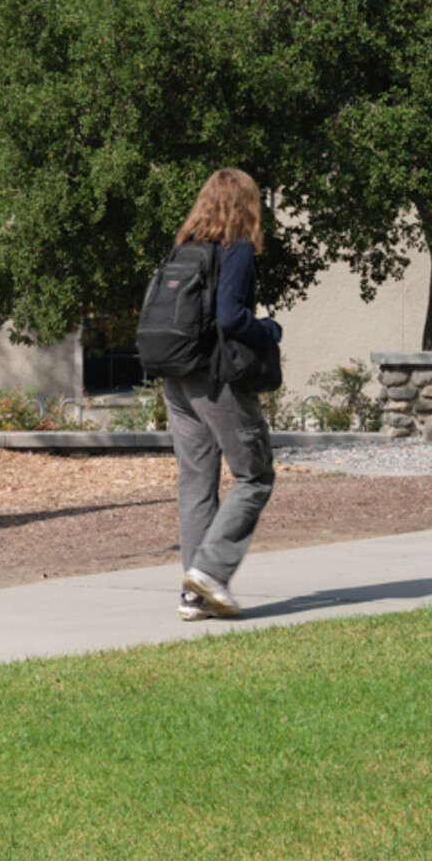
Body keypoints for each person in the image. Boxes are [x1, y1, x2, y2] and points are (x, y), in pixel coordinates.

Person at [167, 169, 282, 622]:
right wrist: (269, 329)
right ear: (246, 205)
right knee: (255, 476)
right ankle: (210, 574)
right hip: (216, 381)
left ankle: (194, 595)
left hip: (176, 379)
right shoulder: (235, 250)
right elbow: (233, 319)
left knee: (195, 483)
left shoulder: (183, 249)